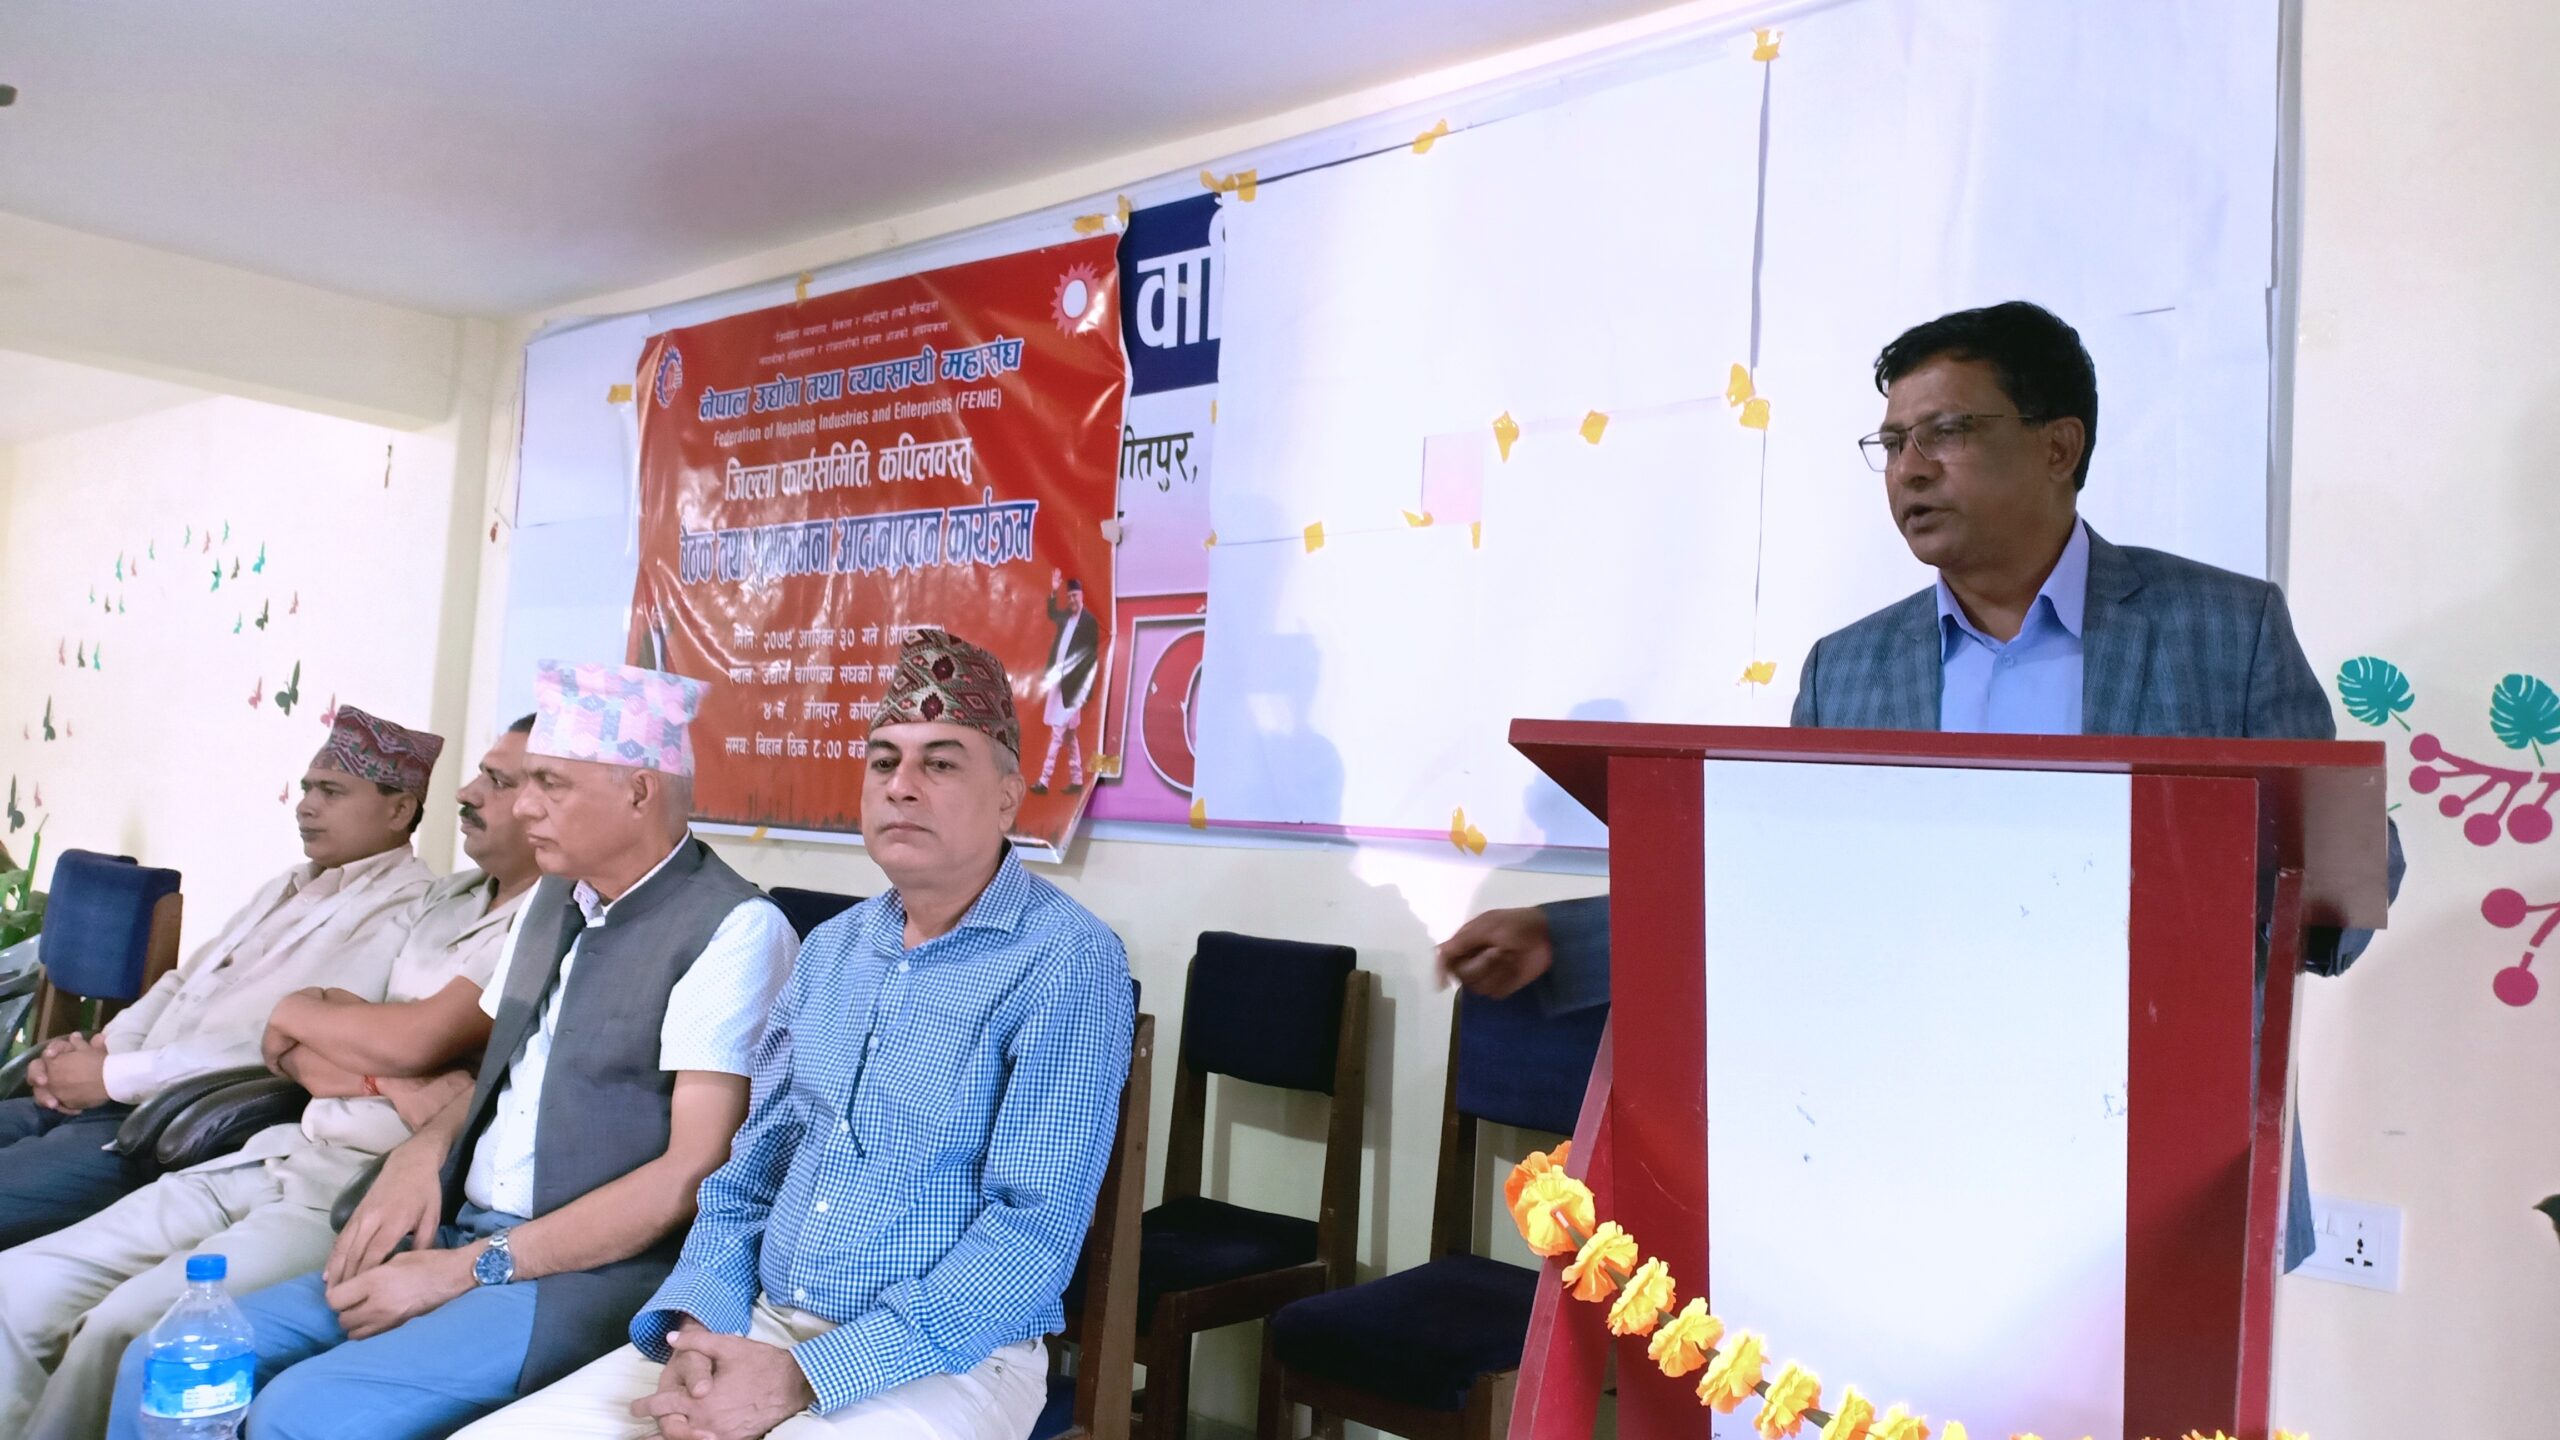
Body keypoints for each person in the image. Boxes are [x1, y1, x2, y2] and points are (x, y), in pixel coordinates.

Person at [1436, 300, 2405, 1270]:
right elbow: (1780, 889)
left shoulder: (2222, 628)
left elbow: (2337, 884)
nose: (1909, 468)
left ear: (2058, 445)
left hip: (2164, 1149)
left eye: (1947, 430)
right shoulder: (1850, 669)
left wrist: (2284, 894)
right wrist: (1560, 938)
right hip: (1913, 1152)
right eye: (1893, 442)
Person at [456, 629, 1133, 1440]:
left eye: (941, 764)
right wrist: (699, 1329)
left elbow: (1030, 1234)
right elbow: (749, 1174)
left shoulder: (1066, 961)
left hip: (948, 1359)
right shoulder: (833, 949)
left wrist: (806, 1375)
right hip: (758, 1320)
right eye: (883, 762)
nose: (901, 787)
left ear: (1007, 797)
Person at [106, 662, 797, 1440]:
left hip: (586, 1276)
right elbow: (500, 1078)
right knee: (167, 1359)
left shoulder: (734, 930)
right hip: (460, 1229)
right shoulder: (554, 899)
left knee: (300, 1414)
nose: (523, 806)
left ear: (638, 793)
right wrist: (421, 1151)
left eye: (550, 784)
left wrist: (471, 1268)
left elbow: (691, 1175)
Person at [0, 717, 543, 1439]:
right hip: (283, 1144)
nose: (467, 794)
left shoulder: (528, 920)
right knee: (18, 1285)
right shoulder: (447, 900)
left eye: (498, 782)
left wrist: (326, 1024)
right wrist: (377, 1065)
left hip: (351, 1177)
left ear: (397, 809)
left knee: (130, 1329)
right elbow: (287, 1041)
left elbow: (408, 1038)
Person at [0, 706, 441, 1247]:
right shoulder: (289, 882)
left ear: (400, 809)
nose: (306, 805)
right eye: (307, 788)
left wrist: (114, 1077)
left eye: (332, 791)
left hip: (168, 1126)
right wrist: (102, 1055)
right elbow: (182, 981)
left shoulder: (407, 908)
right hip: (117, 1092)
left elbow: (280, 1044)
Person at [1030, 570, 1102, 796]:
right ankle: (1077, 779)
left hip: (1074, 688)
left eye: (1075, 596)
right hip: (1059, 683)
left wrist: (1086, 691)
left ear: (1082, 596)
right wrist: (1053, 590)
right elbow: (1052, 613)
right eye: (1069, 596)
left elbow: (1092, 658)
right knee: (1070, 736)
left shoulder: (1089, 622)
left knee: (1058, 732)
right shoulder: (1066, 618)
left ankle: (1044, 780)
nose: (1072, 600)